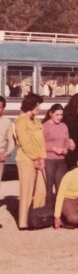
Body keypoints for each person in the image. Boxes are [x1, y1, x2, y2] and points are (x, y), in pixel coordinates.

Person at [14, 94, 47, 229]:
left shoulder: (37, 121)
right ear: (31, 105)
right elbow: (25, 142)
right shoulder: (21, 121)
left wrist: (42, 158)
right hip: (26, 159)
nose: (39, 108)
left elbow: (42, 142)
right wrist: (35, 157)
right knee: (26, 191)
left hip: (38, 159)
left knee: (41, 190)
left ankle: (36, 218)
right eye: (37, 105)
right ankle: (23, 222)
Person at [43, 104, 73, 207]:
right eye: (57, 114)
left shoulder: (64, 126)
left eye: (61, 115)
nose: (59, 117)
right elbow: (40, 144)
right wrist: (53, 148)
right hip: (49, 160)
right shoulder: (45, 126)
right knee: (48, 186)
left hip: (61, 160)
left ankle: (58, 211)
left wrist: (66, 149)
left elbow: (66, 140)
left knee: (61, 186)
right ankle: (47, 211)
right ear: (51, 113)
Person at [0, 96, 16, 227]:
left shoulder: (7, 122)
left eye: (0, 107)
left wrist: (6, 153)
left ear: (3, 108)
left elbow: (11, 140)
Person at [62, 93, 78, 169]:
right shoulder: (67, 113)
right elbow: (63, 129)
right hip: (70, 145)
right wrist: (69, 139)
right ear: (75, 104)